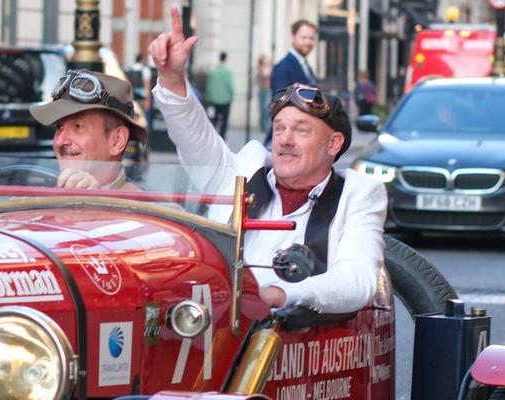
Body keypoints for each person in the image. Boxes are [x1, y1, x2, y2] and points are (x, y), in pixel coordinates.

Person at [148, 8, 386, 314]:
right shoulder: (244, 171)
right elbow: (193, 139)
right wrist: (171, 77)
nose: (285, 140)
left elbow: (357, 280)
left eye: (301, 131)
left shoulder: (358, 194)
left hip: (295, 343)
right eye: (279, 129)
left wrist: (279, 294)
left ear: (334, 144)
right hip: (213, 327)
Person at [29, 70, 147, 190]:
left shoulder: (139, 206)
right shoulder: (33, 202)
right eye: (59, 127)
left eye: (78, 126)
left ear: (117, 141)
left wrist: (95, 203)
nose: (60, 141)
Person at [272, 20, 319, 91]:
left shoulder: (306, 66)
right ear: (293, 37)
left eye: (312, 38)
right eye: (304, 37)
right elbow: (281, 100)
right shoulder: (283, 68)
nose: (308, 42)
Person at [205, 52, 235, 139]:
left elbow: (209, 86)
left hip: (214, 100)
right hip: (225, 100)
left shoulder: (213, 72)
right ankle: (222, 138)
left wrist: (209, 98)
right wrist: (232, 96)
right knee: (224, 122)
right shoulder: (228, 73)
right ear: (226, 60)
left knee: (214, 121)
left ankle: (213, 138)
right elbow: (231, 86)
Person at [255, 54, 273, 133]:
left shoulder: (271, 68)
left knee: (266, 107)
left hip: (268, 90)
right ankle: (262, 126)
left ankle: (266, 126)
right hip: (261, 90)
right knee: (261, 109)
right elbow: (255, 80)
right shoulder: (259, 69)